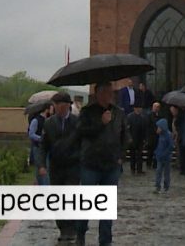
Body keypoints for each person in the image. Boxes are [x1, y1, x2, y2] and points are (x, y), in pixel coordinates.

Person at [76, 81, 129, 246]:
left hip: (111, 165)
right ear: (98, 93)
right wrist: (101, 123)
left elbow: (125, 136)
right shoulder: (87, 112)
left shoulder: (119, 112)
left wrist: (121, 155)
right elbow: (81, 132)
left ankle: (105, 240)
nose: (110, 95)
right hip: (91, 164)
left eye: (111, 92)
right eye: (106, 92)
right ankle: (80, 234)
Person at [38, 91, 81, 243]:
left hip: (73, 167)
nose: (56, 108)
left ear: (66, 106)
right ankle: (63, 228)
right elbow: (44, 146)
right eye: (55, 106)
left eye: (58, 105)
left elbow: (83, 143)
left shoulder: (77, 122)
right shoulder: (49, 123)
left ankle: (72, 228)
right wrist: (42, 164)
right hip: (56, 167)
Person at [29, 102, 53, 184]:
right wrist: (41, 138)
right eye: (51, 108)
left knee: (42, 168)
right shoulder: (36, 120)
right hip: (38, 147)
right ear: (47, 109)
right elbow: (31, 134)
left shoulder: (50, 120)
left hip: (47, 147)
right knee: (42, 167)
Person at [153, 117, 174, 192]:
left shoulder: (168, 135)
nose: (157, 129)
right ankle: (158, 185)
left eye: (159, 127)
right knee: (158, 171)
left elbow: (171, 146)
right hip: (160, 157)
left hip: (166, 158)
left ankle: (166, 186)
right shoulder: (161, 135)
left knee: (166, 173)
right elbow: (159, 146)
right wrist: (156, 152)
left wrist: (165, 154)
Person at [126, 103, 147, 174]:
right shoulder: (129, 117)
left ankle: (139, 169)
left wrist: (144, 139)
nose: (139, 109)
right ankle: (132, 169)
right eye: (137, 108)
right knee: (132, 155)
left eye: (140, 108)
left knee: (140, 155)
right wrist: (129, 137)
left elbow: (144, 129)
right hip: (132, 138)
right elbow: (127, 129)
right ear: (134, 108)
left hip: (140, 139)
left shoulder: (143, 117)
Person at [146, 101, 162, 171]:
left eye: (158, 107)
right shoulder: (149, 115)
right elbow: (148, 125)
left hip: (158, 136)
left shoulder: (160, 115)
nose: (156, 108)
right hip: (151, 135)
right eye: (155, 107)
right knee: (150, 150)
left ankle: (155, 164)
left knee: (157, 150)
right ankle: (149, 163)